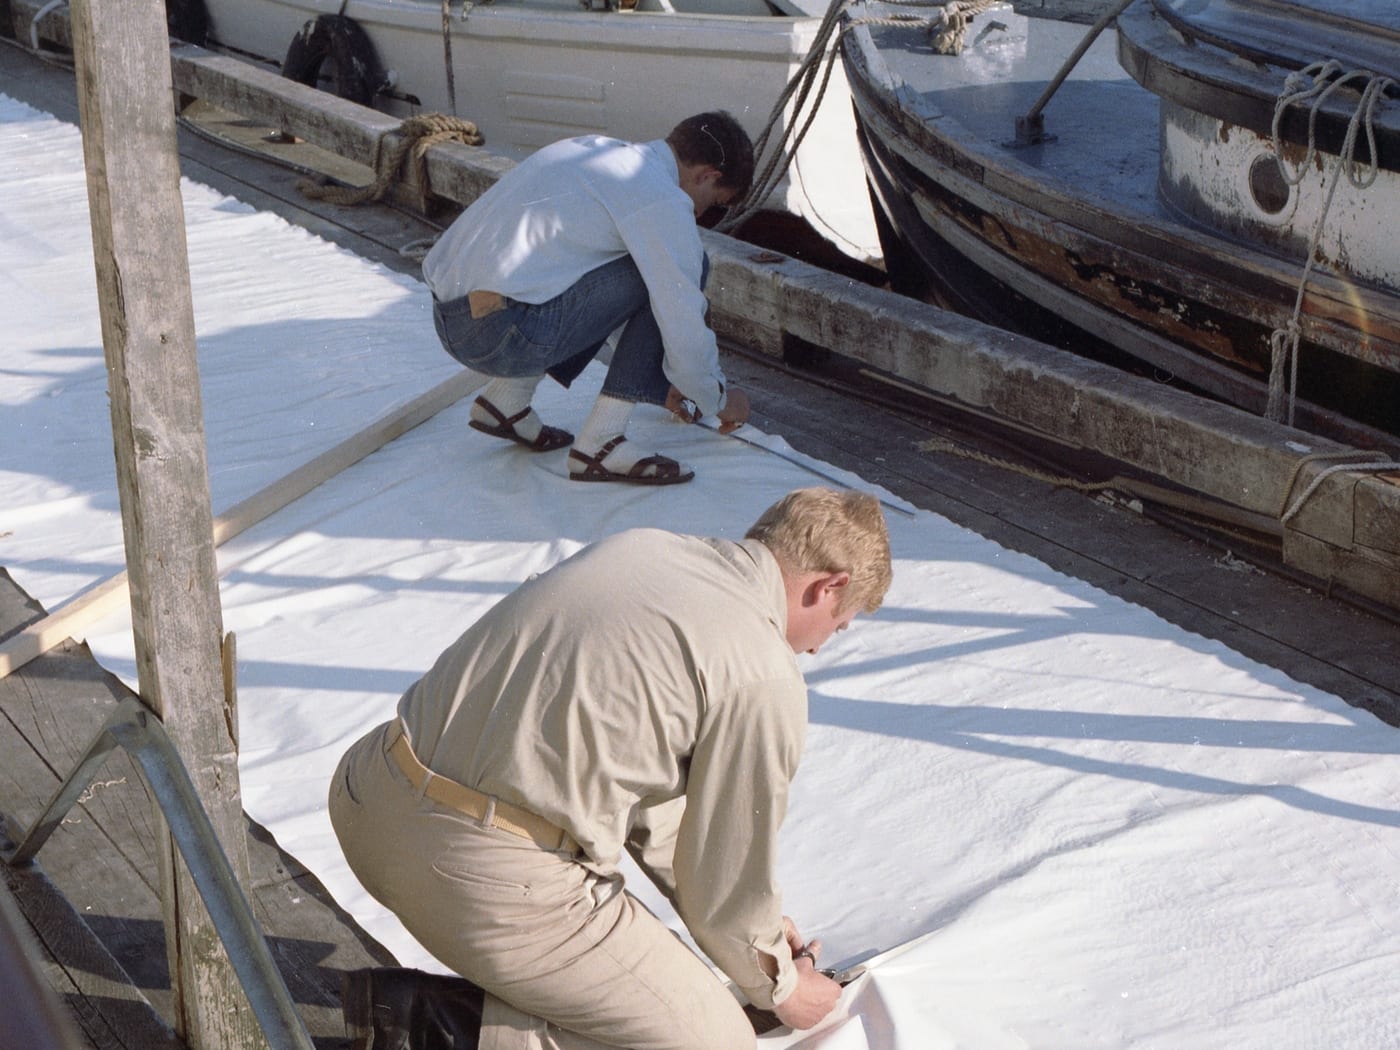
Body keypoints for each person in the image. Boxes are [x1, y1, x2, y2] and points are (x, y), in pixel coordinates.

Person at [329, 486, 894, 1050]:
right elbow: (727, 876)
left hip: (366, 792)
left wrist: (762, 941)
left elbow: (655, 804)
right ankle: (434, 1025)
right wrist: (783, 985)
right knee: (716, 1042)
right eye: (837, 627)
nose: (818, 649)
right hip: (467, 873)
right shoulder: (762, 670)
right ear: (830, 586)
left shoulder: (643, 549)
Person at [422, 111, 756, 487]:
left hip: (452, 318)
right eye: (713, 201)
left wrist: (657, 384)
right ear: (707, 175)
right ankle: (601, 442)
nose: (701, 213)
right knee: (681, 267)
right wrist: (720, 398)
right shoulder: (661, 199)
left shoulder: (597, 151)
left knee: (612, 260)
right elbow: (681, 321)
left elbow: (594, 300)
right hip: (500, 336)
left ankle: (506, 401)